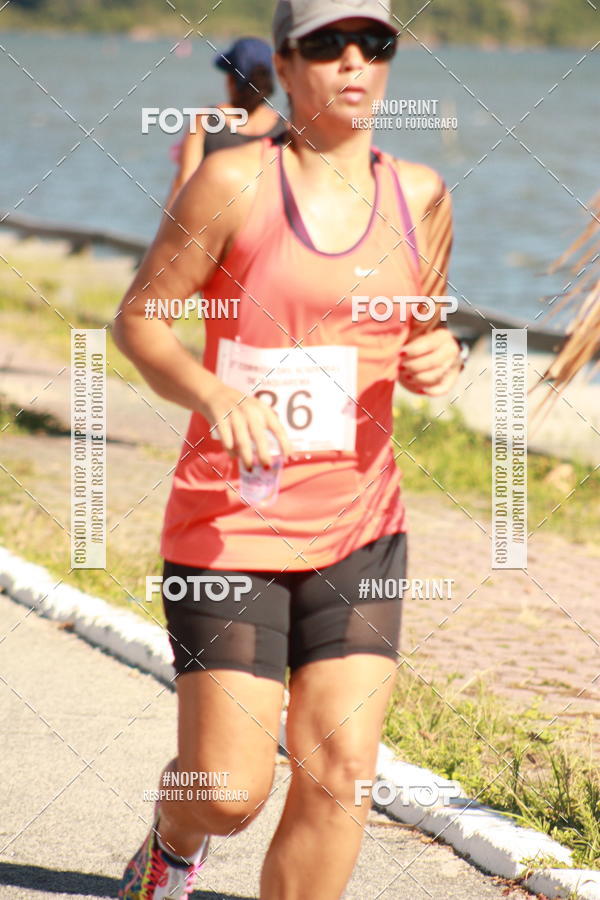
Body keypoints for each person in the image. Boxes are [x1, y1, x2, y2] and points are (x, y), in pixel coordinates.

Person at [115, 0, 461, 895]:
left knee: (342, 771)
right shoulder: (232, 182)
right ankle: (173, 838)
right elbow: (141, 321)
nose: (353, 60)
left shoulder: (421, 195)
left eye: (373, 42)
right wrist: (215, 394)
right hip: (231, 525)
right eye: (326, 43)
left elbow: (424, 330)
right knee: (227, 791)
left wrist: (441, 356)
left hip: (361, 525)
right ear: (285, 62)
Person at [165, 37, 285, 209]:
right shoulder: (283, 127)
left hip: (212, 221)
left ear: (231, 80)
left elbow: (183, 183)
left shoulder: (206, 119)